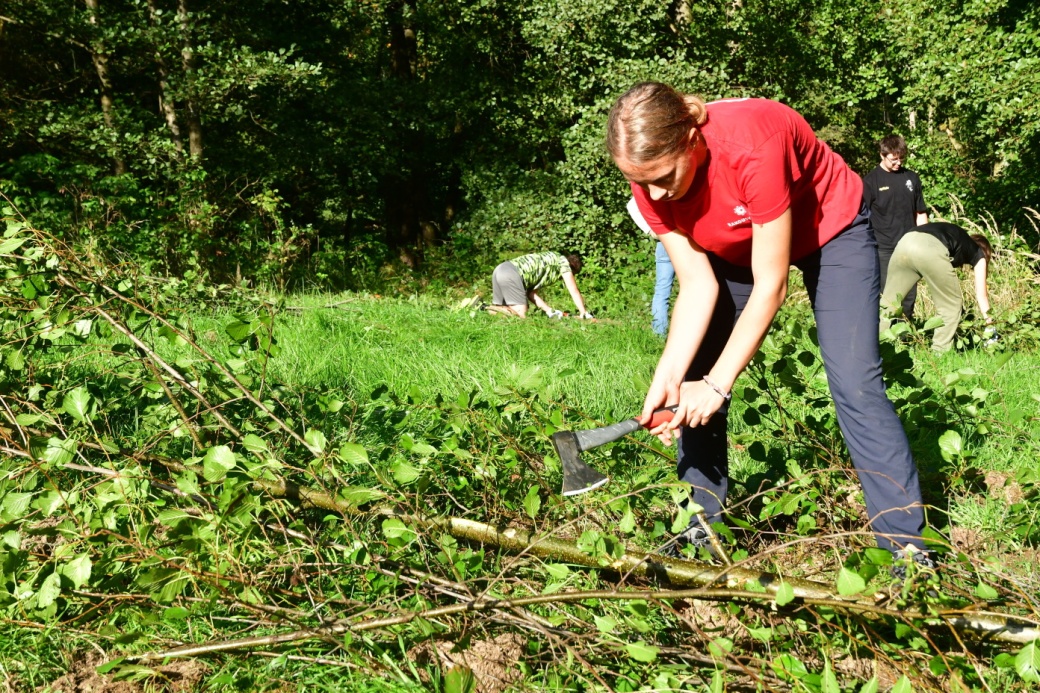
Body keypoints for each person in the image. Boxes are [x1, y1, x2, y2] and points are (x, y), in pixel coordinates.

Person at [607, 82, 932, 572]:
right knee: (693, 374)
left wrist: (718, 384)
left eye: (664, 177)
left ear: (692, 138)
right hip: (740, 246)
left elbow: (771, 286)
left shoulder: (752, 143)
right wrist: (669, 377)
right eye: (640, 182)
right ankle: (700, 528)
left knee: (855, 382)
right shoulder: (648, 176)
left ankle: (906, 547)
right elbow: (696, 285)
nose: (654, 193)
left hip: (831, 231)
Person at [880, 222, 992, 352]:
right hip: (930, 246)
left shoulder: (959, 238)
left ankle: (874, 345)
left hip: (905, 241)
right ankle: (939, 352)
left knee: (888, 303)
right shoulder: (978, 253)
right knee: (951, 305)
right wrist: (990, 325)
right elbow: (982, 295)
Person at [862, 135, 929, 319]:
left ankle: (907, 331)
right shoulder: (870, 181)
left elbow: (920, 212)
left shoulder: (911, 178)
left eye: (901, 158)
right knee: (889, 297)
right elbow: (862, 218)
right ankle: (887, 332)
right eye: (894, 159)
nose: (898, 163)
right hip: (883, 249)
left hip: (909, 247)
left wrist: (925, 242)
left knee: (908, 297)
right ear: (882, 155)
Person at [484, 251, 593, 319]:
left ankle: (484, 308)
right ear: (573, 268)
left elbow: (531, 294)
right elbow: (573, 290)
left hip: (500, 269)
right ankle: (483, 307)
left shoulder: (552, 259)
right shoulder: (564, 264)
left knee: (502, 310)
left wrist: (549, 311)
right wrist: (584, 313)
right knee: (521, 316)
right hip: (511, 274)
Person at [628, 197, 674, 336]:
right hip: (684, 239)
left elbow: (632, 205)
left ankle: (659, 335)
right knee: (697, 287)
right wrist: (650, 230)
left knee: (662, 291)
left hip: (664, 240)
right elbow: (632, 205)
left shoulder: (656, 188)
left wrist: (650, 230)